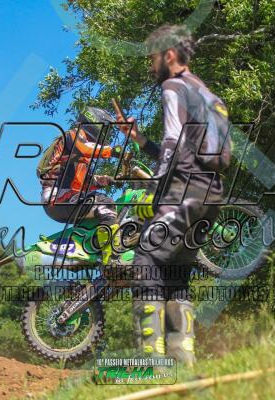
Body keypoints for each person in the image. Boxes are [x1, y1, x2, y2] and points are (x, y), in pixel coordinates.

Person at [117, 25, 229, 367]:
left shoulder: (173, 87)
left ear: (168, 55)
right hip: (211, 192)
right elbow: (195, 149)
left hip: (183, 190)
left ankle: (152, 363)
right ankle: (183, 362)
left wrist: (153, 192)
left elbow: (172, 144)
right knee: (176, 271)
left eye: (153, 58)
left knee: (146, 260)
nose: (152, 66)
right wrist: (140, 141)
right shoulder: (208, 94)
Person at [38, 106, 123, 264]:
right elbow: (84, 148)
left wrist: (109, 179)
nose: (107, 136)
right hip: (56, 197)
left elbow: (84, 182)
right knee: (105, 204)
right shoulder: (72, 136)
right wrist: (112, 151)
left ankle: (94, 251)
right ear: (95, 123)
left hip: (64, 199)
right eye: (106, 130)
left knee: (100, 210)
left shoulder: (78, 155)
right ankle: (112, 260)